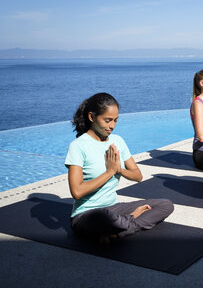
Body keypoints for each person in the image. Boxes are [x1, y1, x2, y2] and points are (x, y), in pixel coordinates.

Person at [65, 93, 174, 243]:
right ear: (92, 117)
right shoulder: (78, 146)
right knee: (104, 216)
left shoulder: (118, 141)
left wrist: (119, 169)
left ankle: (118, 230)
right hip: (87, 215)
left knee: (165, 205)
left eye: (116, 120)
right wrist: (109, 172)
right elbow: (77, 192)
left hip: (114, 208)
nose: (112, 126)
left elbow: (138, 175)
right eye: (107, 120)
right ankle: (129, 222)